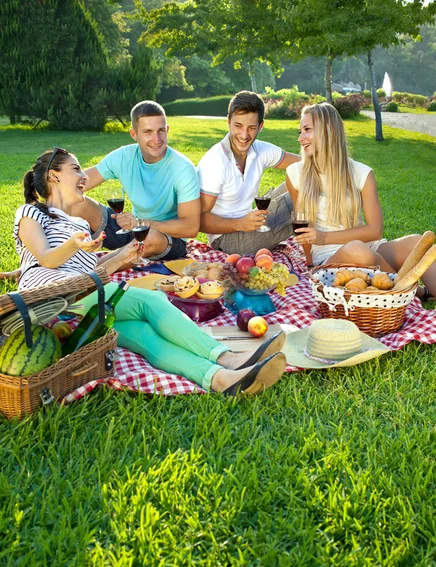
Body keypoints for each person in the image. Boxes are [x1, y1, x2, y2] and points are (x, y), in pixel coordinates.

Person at [13, 148, 287, 395]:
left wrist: (122, 255)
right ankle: (227, 357)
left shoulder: (77, 224)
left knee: (145, 335)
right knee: (152, 301)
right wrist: (74, 245)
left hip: (79, 315)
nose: (84, 175)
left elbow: (92, 272)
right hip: (49, 304)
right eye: (75, 169)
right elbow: (48, 260)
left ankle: (220, 378)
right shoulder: (29, 213)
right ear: (54, 176)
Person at [285, 102, 436, 299]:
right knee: (356, 249)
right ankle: (409, 292)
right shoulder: (296, 174)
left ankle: (411, 290)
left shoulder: (361, 173)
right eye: (300, 131)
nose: (300, 138)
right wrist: (310, 265)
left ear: (328, 131)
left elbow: (374, 230)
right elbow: (302, 228)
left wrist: (324, 236)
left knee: (418, 243)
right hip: (330, 258)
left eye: (307, 130)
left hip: (369, 247)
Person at [70, 100, 201, 260]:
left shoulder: (182, 168)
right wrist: (48, 204)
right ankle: (67, 258)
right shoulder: (124, 157)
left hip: (166, 239)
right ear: (134, 134)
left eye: (161, 131)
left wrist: (143, 223)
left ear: (167, 130)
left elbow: (191, 227)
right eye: (148, 132)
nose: (157, 139)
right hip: (131, 229)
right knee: (78, 204)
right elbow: (80, 183)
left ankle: (96, 266)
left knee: (149, 239)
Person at [197, 90, 301, 255]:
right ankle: (325, 241)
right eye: (238, 126)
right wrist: (239, 223)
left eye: (251, 128)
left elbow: (303, 164)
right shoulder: (215, 161)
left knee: (302, 180)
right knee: (303, 195)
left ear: (260, 126)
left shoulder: (260, 150)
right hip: (226, 240)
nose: (244, 135)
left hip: (249, 223)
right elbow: (198, 220)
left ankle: (330, 234)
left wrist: (339, 164)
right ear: (229, 121)